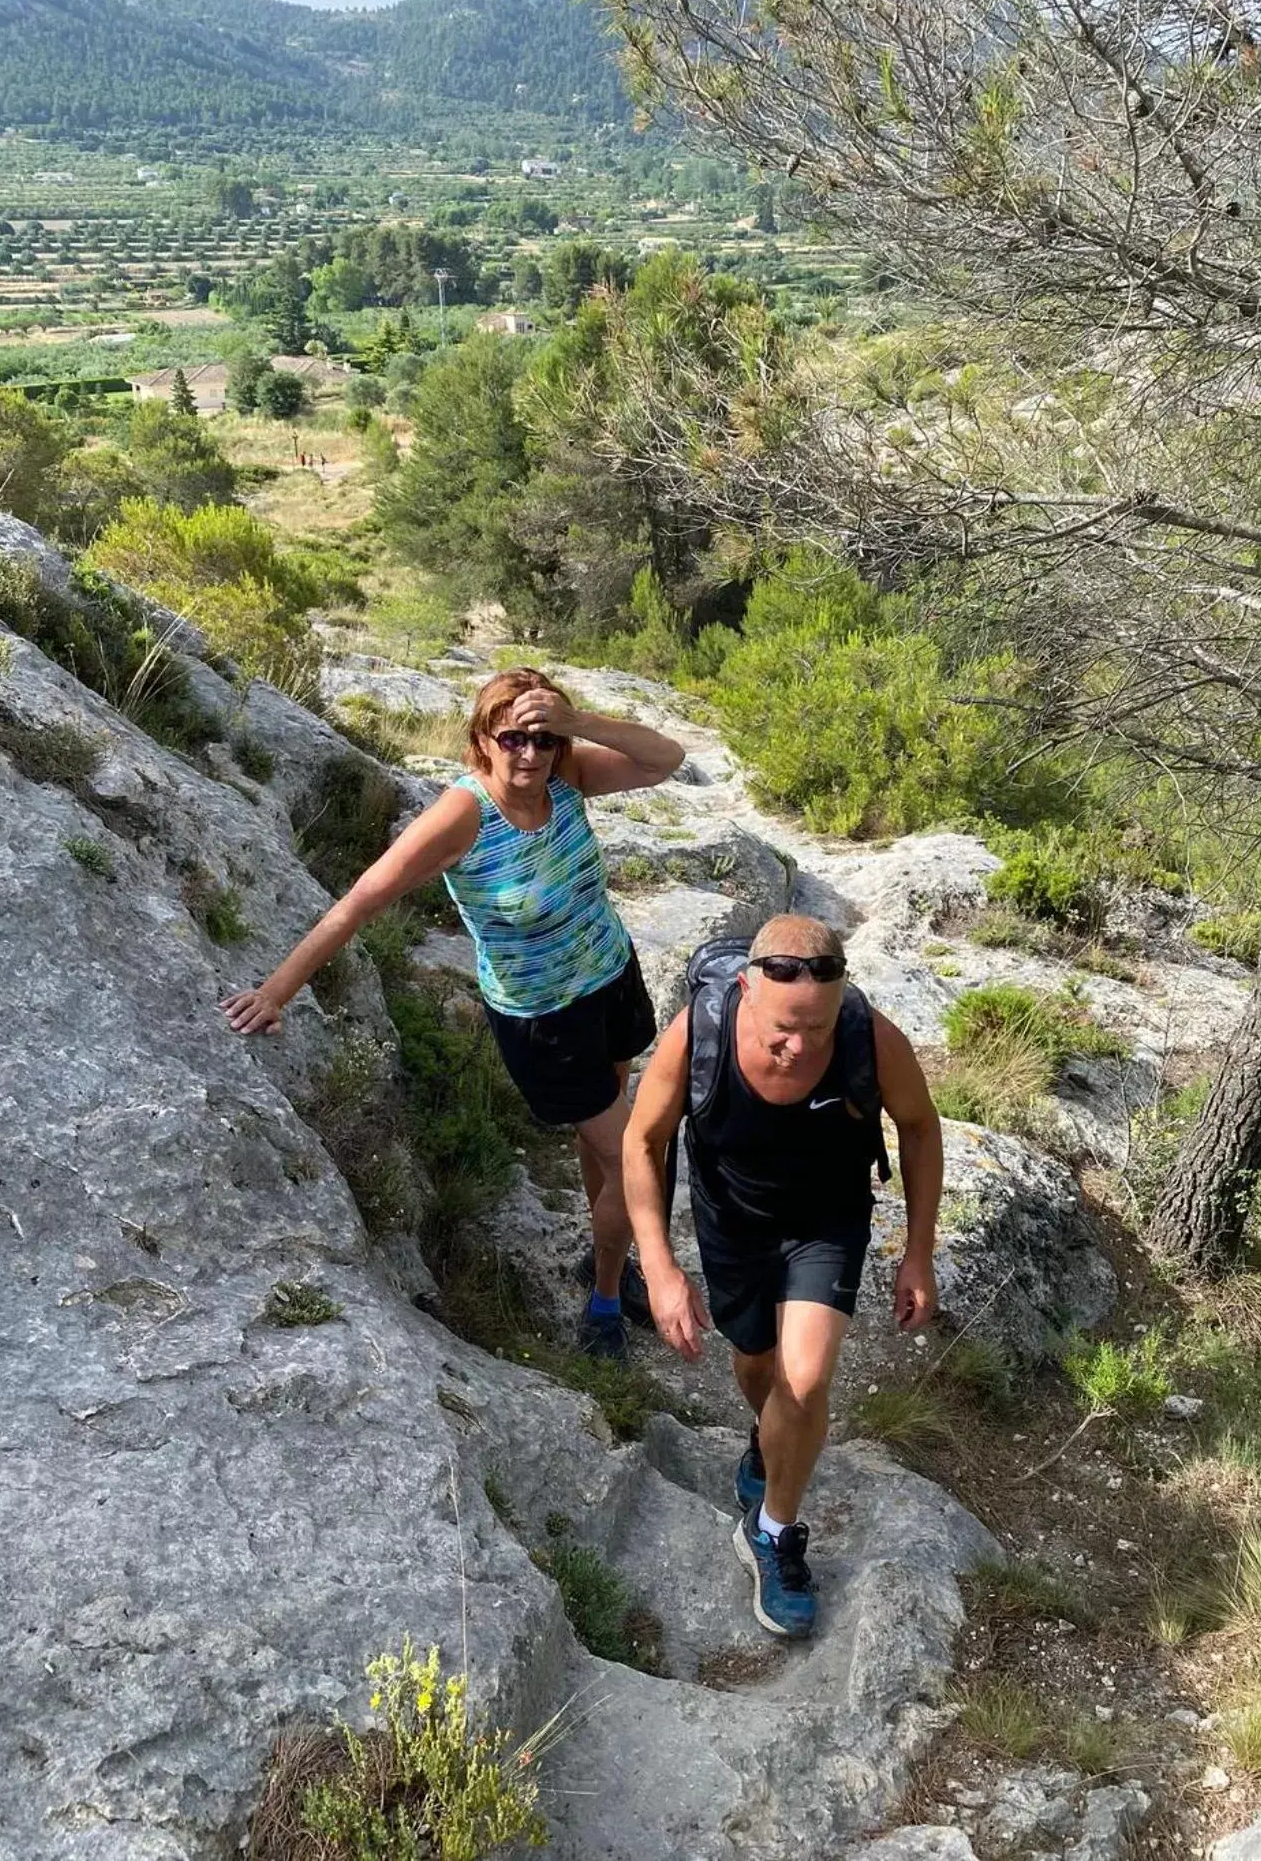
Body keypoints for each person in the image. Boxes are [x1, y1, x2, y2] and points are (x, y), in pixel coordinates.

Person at [222, 666, 685, 1360]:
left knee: (609, 1138)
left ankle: (604, 1254)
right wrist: (276, 992)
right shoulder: (462, 816)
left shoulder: (569, 774)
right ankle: (609, 1299)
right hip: (544, 1018)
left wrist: (576, 724)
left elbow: (666, 760)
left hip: (609, 978)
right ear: (481, 741)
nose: (530, 755)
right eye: (514, 740)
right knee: (634, 1156)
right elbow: (359, 902)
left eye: (543, 740)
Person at [622, 914, 943, 1639]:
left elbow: (920, 1127)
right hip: (731, 1220)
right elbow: (642, 1140)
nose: (799, 1048)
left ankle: (771, 1532)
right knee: (757, 1364)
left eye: (818, 1031)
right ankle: (767, 1443)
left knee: (804, 1381)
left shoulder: (869, 1035)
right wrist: (661, 1269)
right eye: (782, 1031)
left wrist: (916, 1251)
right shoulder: (698, 1030)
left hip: (826, 1223)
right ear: (746, 990)